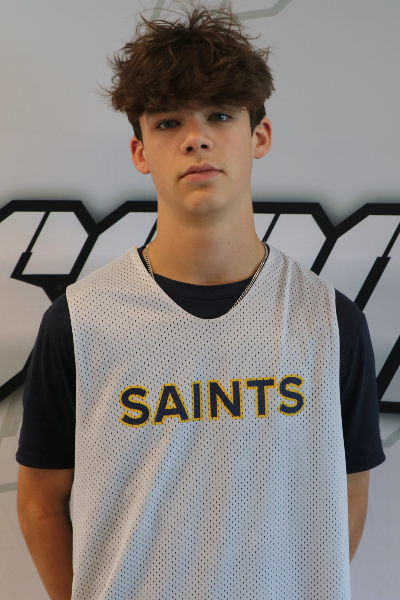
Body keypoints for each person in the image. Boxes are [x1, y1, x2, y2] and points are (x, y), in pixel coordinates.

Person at [16, 4, 385, 599]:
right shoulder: (79, 322)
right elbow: (39, 501)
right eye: (168, 122)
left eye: (219, 114)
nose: (196, 138)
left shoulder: (329, 320)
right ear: (140, 151)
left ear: (259, 136)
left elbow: (347, 492)